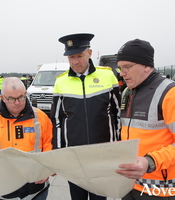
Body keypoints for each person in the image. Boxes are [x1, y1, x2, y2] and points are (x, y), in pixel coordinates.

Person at [114, 39, 175, 199]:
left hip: (161, 190)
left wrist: (149, 162)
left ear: (147, 65)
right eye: (120, 68)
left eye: (127, 67)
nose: (122, 73)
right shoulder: (128, 92)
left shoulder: (173, 93)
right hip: (130, 184)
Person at [51, 33, 121, 200]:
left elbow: (118, 114)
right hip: (75, 157)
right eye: (71, 57)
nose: (75, 61)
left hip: (103, 155)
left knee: (99, 198)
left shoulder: (108, 76)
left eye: (79, 56)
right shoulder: (61, 82)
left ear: (89, 53)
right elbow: (57, 120)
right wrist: (60, 152)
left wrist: (118, 148)